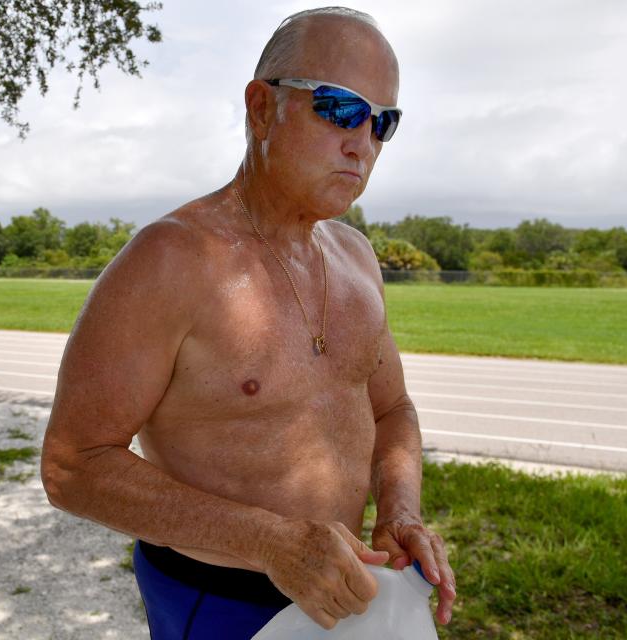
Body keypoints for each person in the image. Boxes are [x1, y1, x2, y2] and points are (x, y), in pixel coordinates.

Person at [41, 6, 456, 639]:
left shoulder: (357, 258)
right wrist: (272, 543)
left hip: (349, 589)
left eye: (384, 123)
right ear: (262, 107)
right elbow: (74, 465)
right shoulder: (171, 259)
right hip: (217, 599)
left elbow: (391, 408)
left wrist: (400, 512)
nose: (362, 141)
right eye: (341, 108)